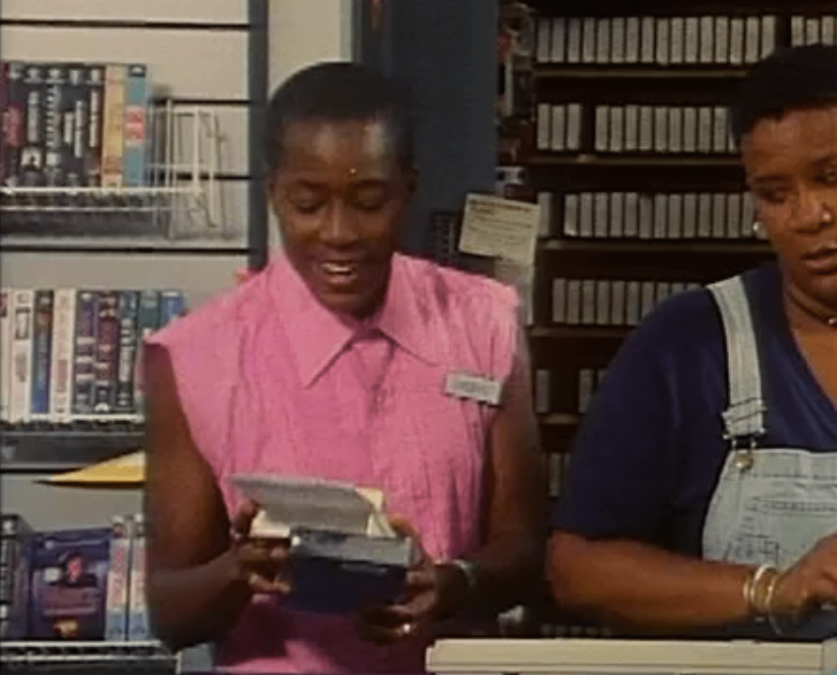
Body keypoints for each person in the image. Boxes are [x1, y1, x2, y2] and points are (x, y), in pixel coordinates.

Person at [546, 44, 837, 640]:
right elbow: (577, 571)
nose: (808, 215)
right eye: (774, 193)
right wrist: (770, 589)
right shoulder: (686, 348)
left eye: (831, 177)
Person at [141, 61, 545, 674]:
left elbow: (524, 550)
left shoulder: (484, 322)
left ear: (408, 189)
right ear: (274, 192)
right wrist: (240, 570)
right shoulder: (197, 356)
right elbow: (172, 614)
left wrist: (454, 583)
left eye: (369, 202)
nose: (339, 234)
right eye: (308, 204)